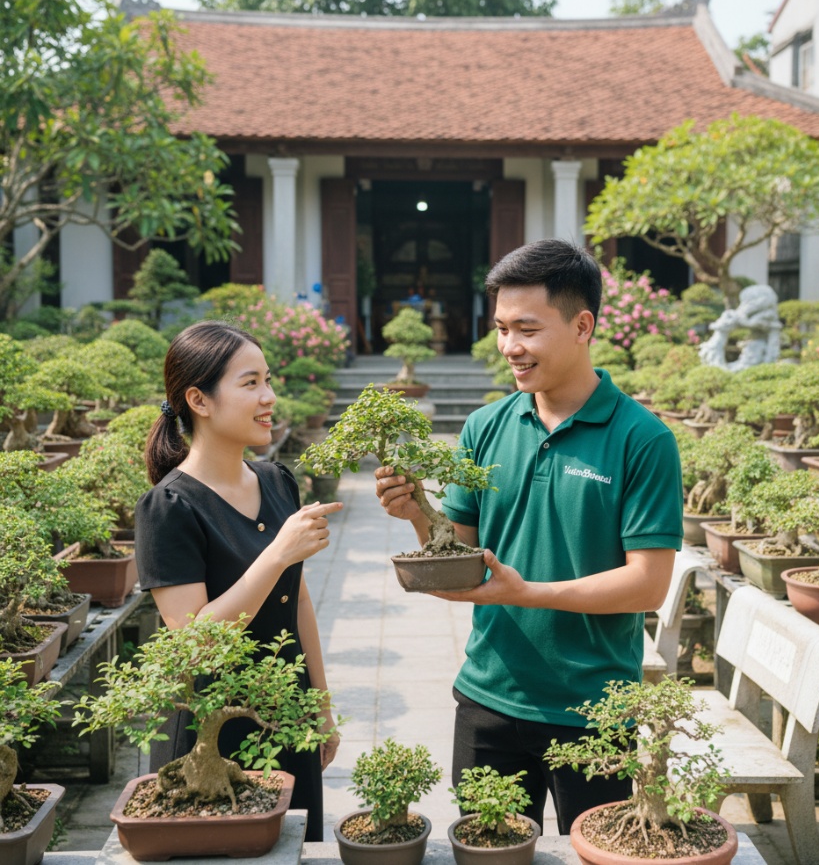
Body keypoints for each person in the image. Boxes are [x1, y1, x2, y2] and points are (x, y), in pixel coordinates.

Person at [375, 239, 683, 834]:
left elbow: (648, 585)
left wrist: (525, 591)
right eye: (501, 328)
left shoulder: (642, 440)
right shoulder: (485, 426)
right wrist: (418, 514)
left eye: (527, 329)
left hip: (595, 710)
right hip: (489, 695)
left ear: (582, 325)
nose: (509, 348)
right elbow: (462, 553)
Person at [135, 320, 342, 841]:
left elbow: (297, 601)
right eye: (250, 384)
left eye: (268, 380)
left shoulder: (276, 480)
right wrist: (276, 554)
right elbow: (194, 643)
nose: (269, 397)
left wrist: (320, 703)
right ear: (199, 401)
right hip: (211, 730)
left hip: (284, 712)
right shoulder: (168, 507)